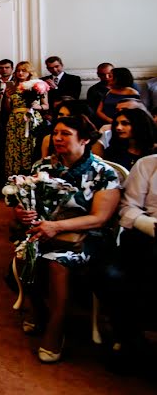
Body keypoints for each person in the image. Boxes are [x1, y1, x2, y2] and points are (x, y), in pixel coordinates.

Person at [10, 115, 121, 363]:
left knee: (57, 262)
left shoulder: (103, 172)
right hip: (45, 229)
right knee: (23, 253)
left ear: (84, 139)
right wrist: (21, 211)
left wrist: (56, 226)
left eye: (65, 134)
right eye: (56, 133)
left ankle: (56, 328)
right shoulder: (43, 167)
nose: (57, 139)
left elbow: (99, 219)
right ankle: (38, 309)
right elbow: (25, 200)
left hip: (85, 235)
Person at [99, 153, 157, 366]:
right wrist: (149, 226)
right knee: (112, 273)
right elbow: (127, 207)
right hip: (148, 234)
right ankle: (131, 339)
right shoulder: (148, 164)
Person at [4, 61, 47, 177]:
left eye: (23, 70)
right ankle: (14, 176)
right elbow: (8, 109)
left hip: (31, 119)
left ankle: (30, 175)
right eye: (18, 71)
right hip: (15, 120)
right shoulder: (12, 86)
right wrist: (7, 98)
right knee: (14, 148)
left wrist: (37, 106)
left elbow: (46, 105)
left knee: (30, 146)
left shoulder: (37, 85)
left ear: (29, 72)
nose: (20, 73)